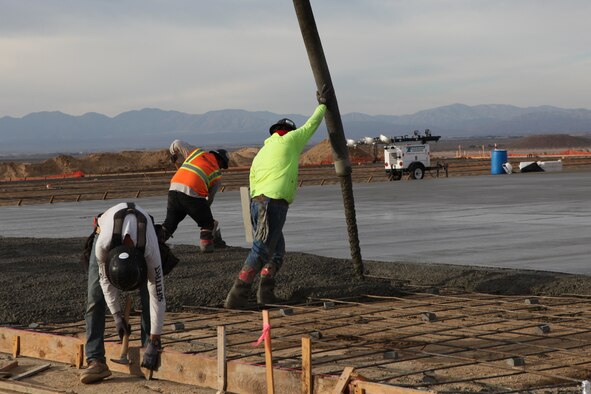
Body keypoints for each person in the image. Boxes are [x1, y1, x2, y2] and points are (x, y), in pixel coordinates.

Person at [224, 85, 330, 309]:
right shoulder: (290, 140)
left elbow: (252, 180)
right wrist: (323, 105)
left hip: (257, 202)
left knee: (277, 249)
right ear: (287, 130)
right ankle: (237, 295)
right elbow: (310, 126)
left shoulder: (262, 152)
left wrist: (257, 203)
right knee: (261, 249)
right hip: (273, 203)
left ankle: (266, 293)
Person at [80, 202, 166, 384]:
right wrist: (117, 316)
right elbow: (105, 282)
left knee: (147, 296)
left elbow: (157, 294)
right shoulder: (103, 247)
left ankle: (148, 349)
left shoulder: (150, 249)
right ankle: (95, 360)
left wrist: (155, 338)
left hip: (143, 235)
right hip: (104, 229)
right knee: (94, 299)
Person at [160, 141, 229, 253]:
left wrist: (174, 155)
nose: (221, 168)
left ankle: (155, 242)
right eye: (222, 165)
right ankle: (206, 246)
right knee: (207, 223)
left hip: (174, 189)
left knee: (170, 223)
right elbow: (209, 199)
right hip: (192, 193)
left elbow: (176, 143)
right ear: (220, 160)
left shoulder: (196, 153)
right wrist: (204, 214)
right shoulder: (217, 175)